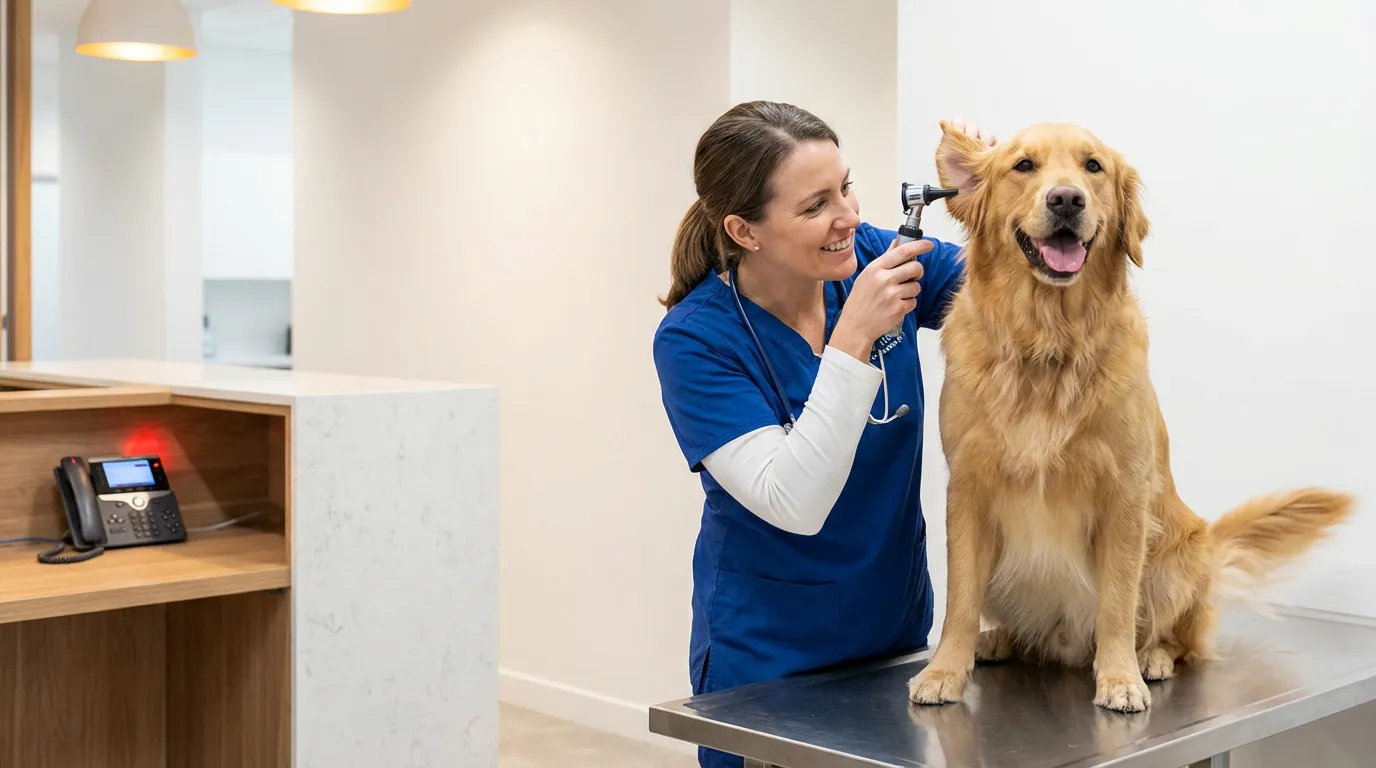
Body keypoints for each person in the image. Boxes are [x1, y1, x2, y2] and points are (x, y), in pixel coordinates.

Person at [651, 100, 997, 768]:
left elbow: (1018, 287)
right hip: (770, 662)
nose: (848, 217)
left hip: (893, 633)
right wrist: (854, 337)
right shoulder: (696, 341)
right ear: (744, 231)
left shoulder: (874, 256)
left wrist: (992, 198)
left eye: (846, 187)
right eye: (815, 206)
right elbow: (793, 501)